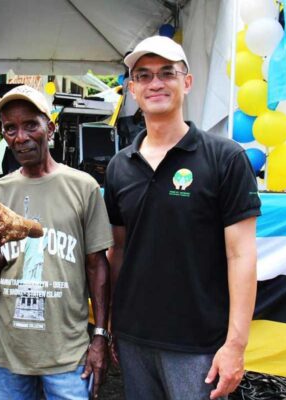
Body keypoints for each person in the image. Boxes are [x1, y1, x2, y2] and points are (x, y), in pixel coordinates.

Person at [104, 36, 261, 400]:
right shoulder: (118, 167)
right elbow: (118, 250)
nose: (155, 83)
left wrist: (235, 346)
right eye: (143, 76)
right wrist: (113, 323)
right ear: (132, 89)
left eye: (167, 73)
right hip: (134, 340)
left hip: (199, 345)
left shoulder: (225, 158)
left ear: (186, 82)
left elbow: (242, 256)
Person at [0, 85, 113, 399]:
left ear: (50, 127)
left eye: (30, 125)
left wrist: (100, 335)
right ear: (2, 134)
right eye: (10, 128)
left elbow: (96, 265)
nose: (20, 137)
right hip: (8, 350)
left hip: (67, 351)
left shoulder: (83, 187)